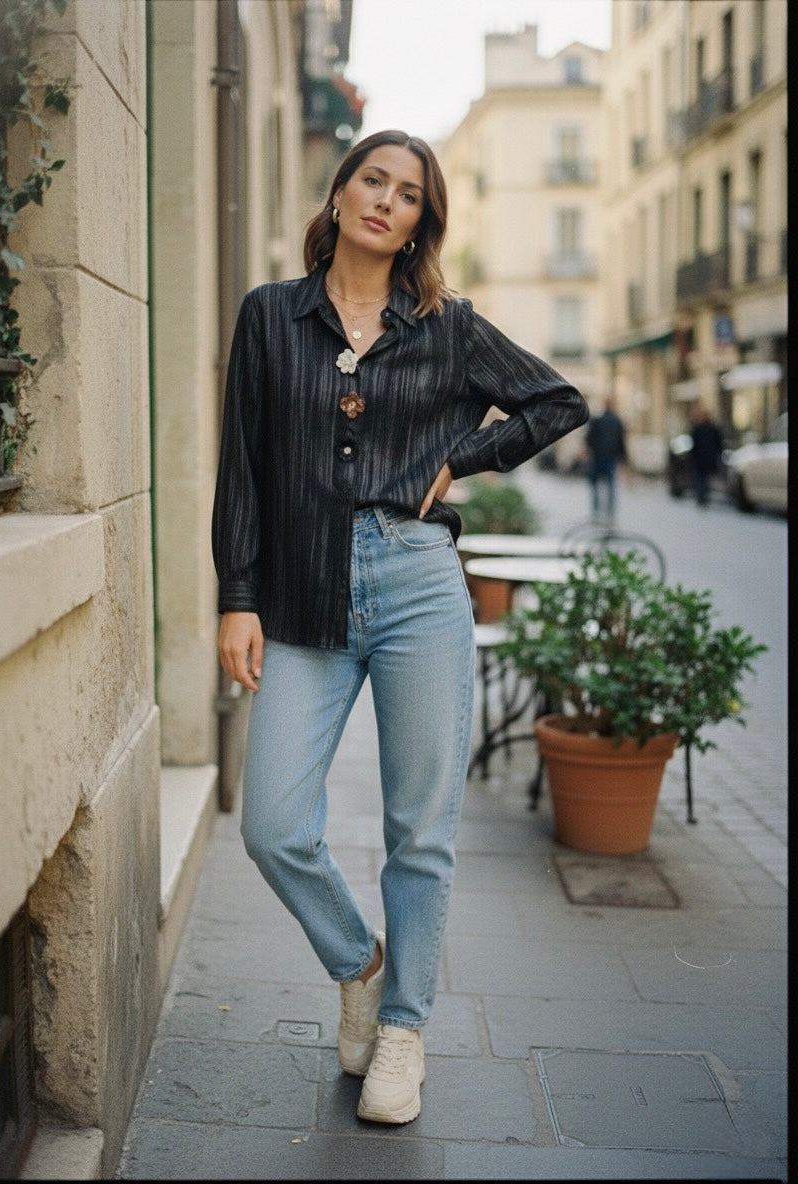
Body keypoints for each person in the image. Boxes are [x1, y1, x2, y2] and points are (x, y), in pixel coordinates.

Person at [211, 129, 588, 1126]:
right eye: (372, 179)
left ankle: (405, 1030)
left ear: (423, 219)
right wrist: (234, 596)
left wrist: (464, 456)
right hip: (299, 587)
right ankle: (362, 965)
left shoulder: (448, 327)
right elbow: (242, 466)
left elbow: (559, 401)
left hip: (419, 578)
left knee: (420, 830)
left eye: (409, 192)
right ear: (337, 195)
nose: (387, 200)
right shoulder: (269, 317)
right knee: (275, 823)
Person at [584, 395, 626, 522]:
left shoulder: (598, 420)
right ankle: (608, 514)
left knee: (597, 485)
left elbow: (589, 439)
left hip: (600, 457)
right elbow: (621, 441)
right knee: (609, 486)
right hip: (608, 457)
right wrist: (623, 458)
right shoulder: (616, 421)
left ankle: (598, 512)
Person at [689, 401, 724, 506]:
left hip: (705, 458)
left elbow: (718, 443)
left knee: (703, 478)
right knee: (701, 478)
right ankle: (702, 497)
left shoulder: (710, 429)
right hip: (701, 458)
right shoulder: (699, 428)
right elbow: (694, 444)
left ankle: (703, 497)